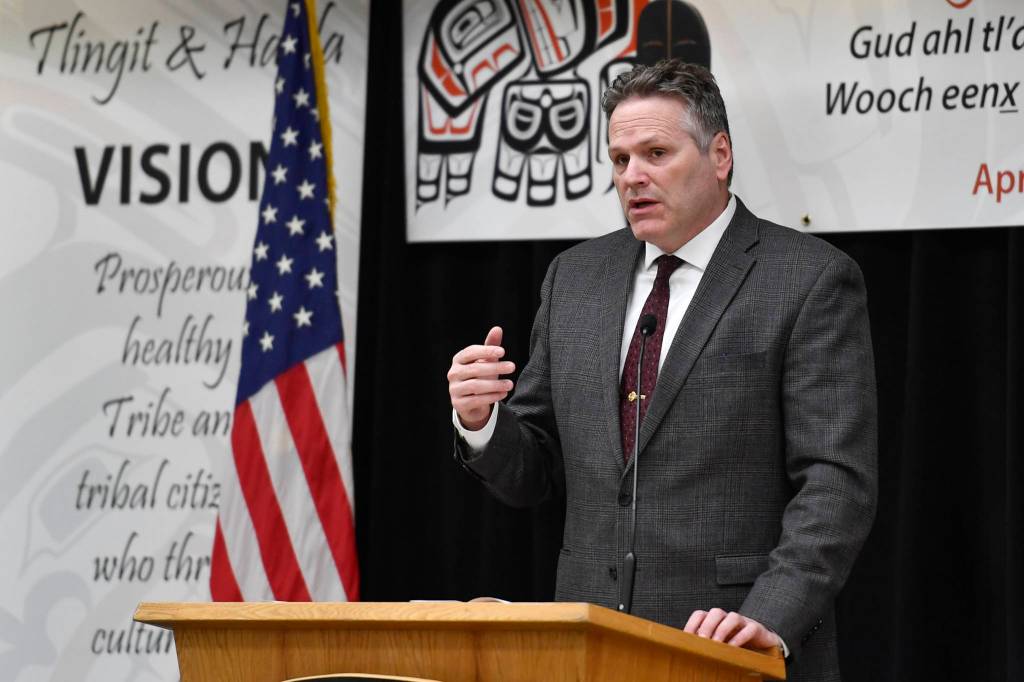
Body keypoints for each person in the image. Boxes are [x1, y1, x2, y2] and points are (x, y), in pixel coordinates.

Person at [446, 59, 877, 682]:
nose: (633, 177)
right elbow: (536, 472)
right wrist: (482, 421)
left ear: (720, 155)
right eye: (620, 160)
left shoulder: (807, 279)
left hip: (731, 645)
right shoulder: (576, 279)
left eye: (656, 152)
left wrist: (770, 618)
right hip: (587, 646)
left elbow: (836, 485)